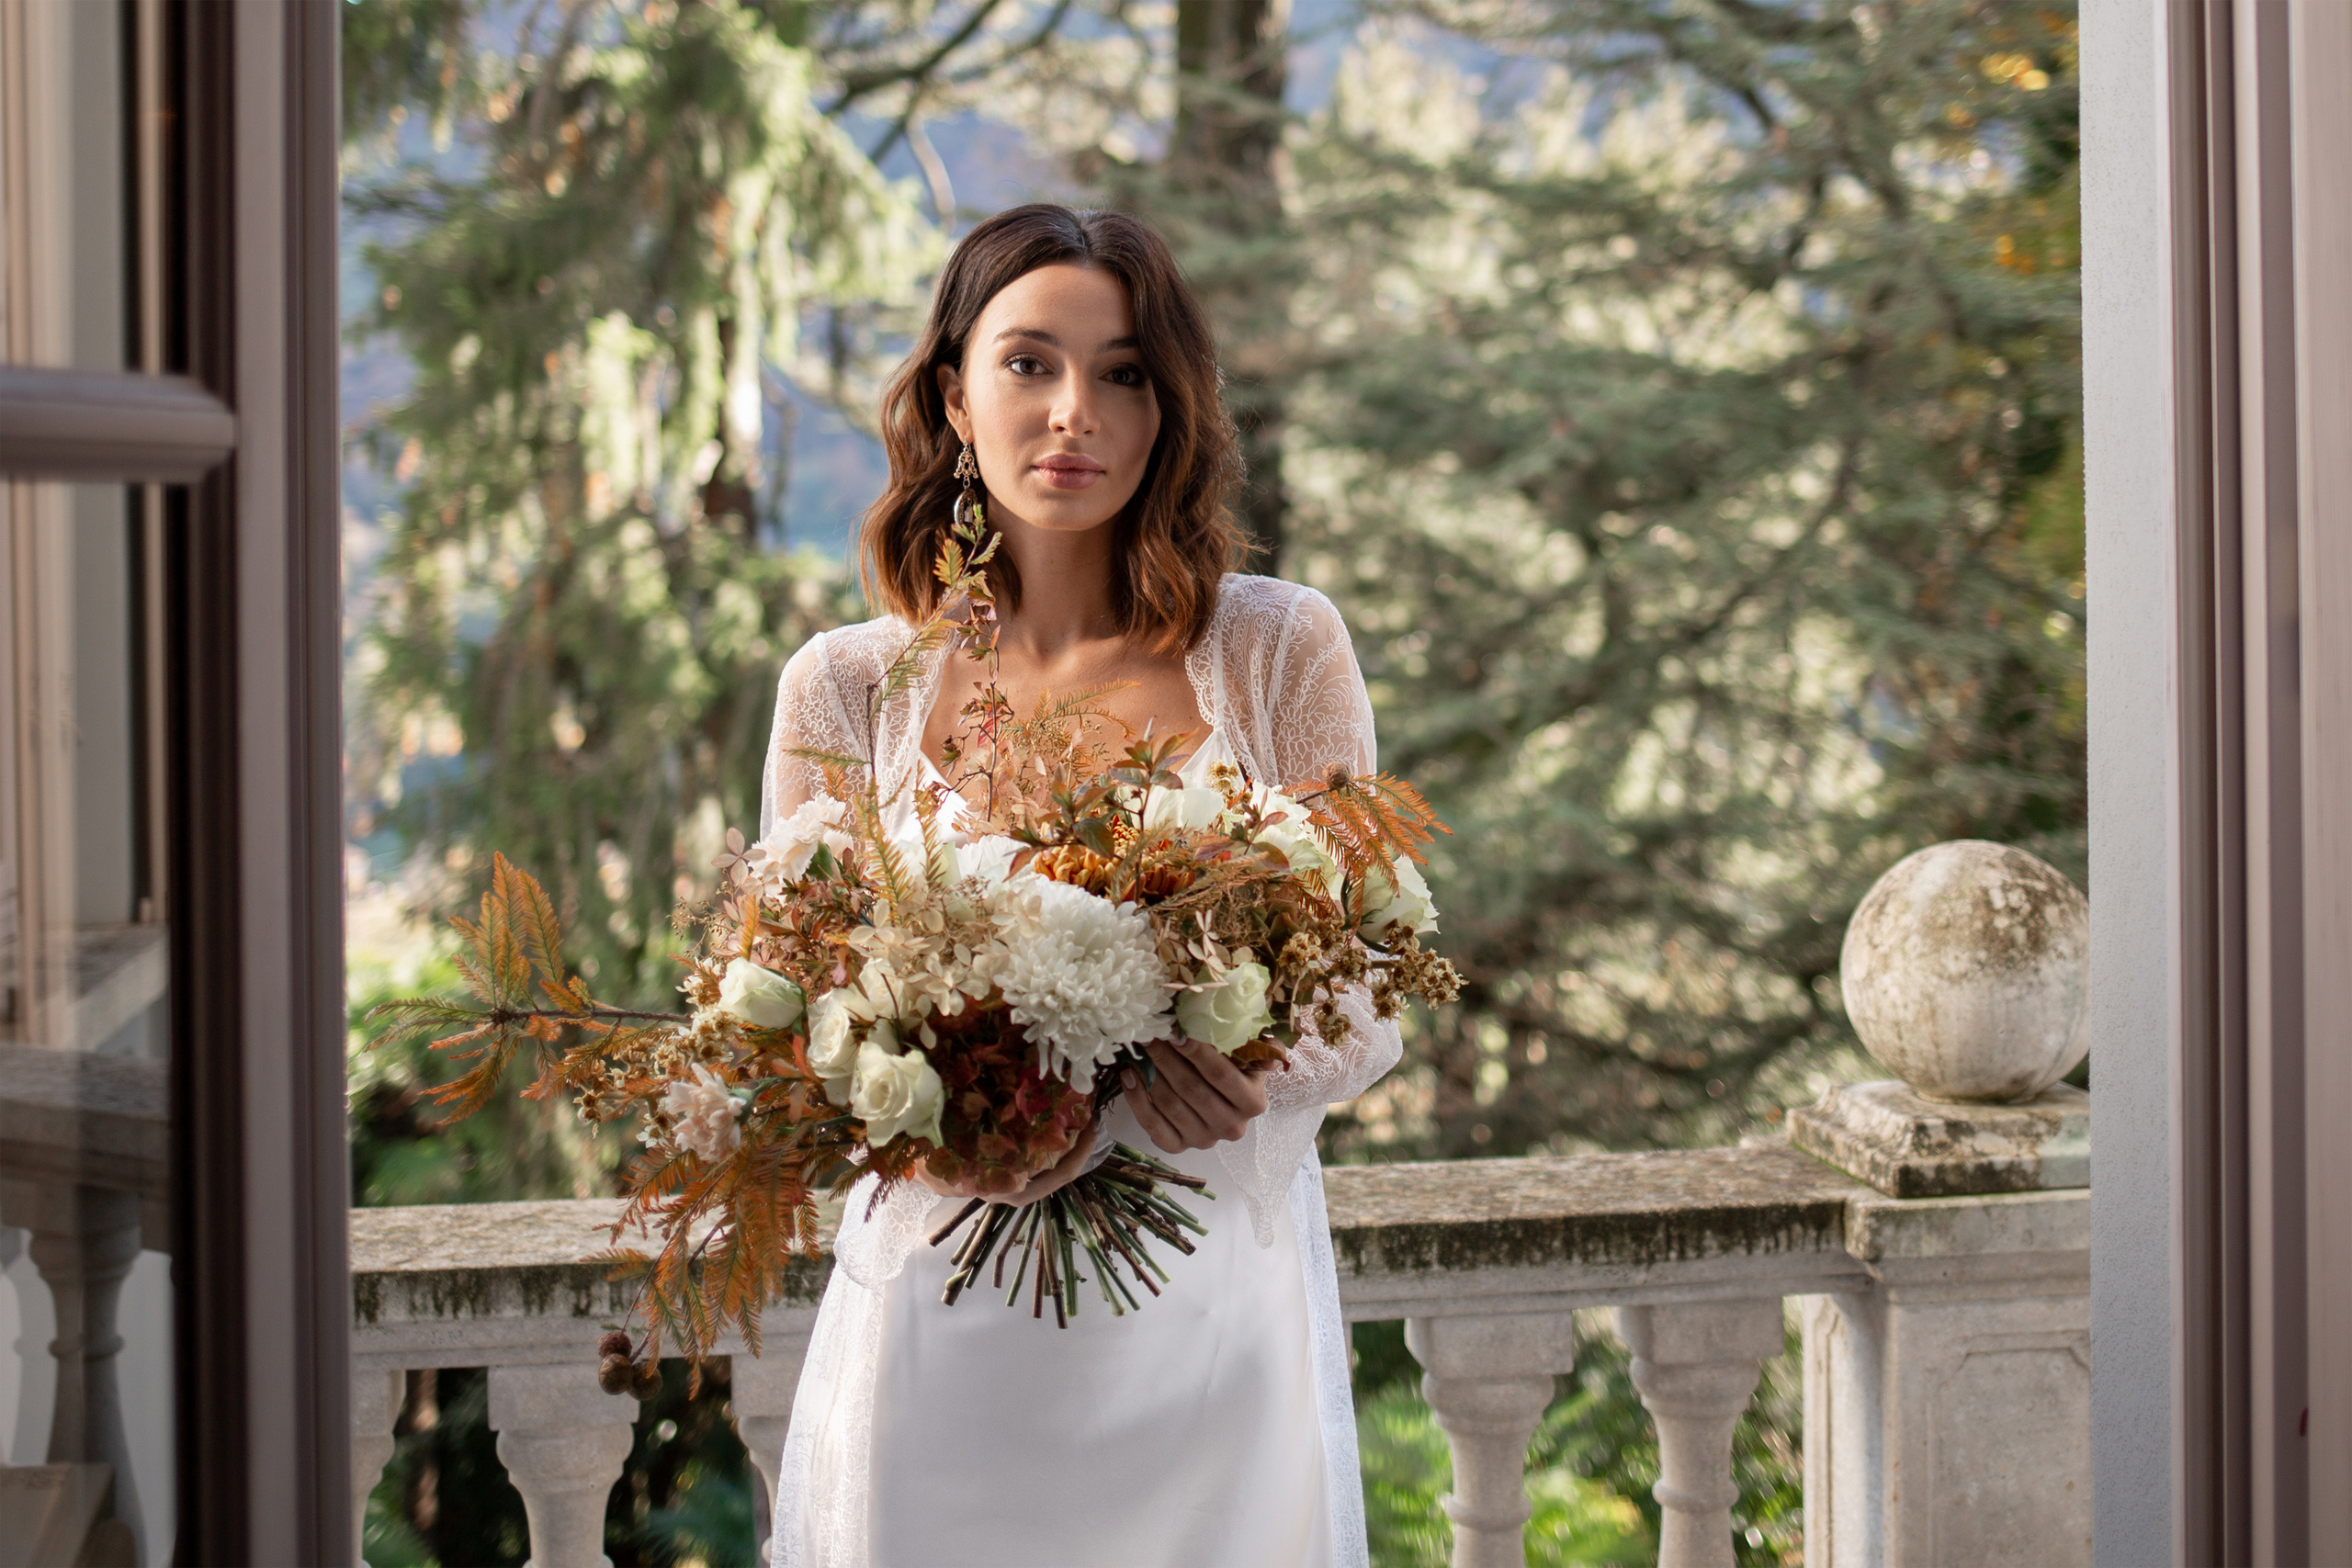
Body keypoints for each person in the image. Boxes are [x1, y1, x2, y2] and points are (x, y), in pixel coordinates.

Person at [760, 203, 1399, 1568]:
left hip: (1206, 1322)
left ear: (1169, 410)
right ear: (953, 392)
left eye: (1122, 374)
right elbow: (798, 1026)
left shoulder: (1280, 651)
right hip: (943, 1324)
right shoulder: (844, 688)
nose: (1074, 413)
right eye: (1030, 363)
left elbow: (1375, 995)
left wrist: (1256, 1070)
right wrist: (947, 1115)